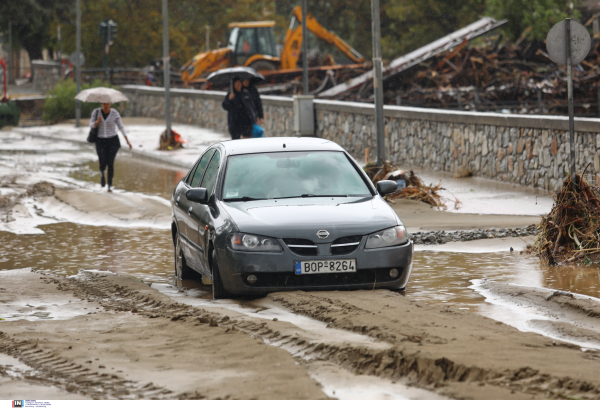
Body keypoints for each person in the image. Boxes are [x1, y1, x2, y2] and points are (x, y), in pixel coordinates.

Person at [89, 103, 132, 192]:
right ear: (101, 103)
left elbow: (121, 126)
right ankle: (102, 175)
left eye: (108, 103)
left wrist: (127, 141)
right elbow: (91, 125)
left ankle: (109, 185)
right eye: (104, 103)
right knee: (102, 161)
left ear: (110, 103)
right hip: (100, 140)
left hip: (113, 141)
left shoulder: (115, 113)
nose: (106, 105)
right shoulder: (96, 112)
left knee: (110, 162)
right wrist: (97, 121)